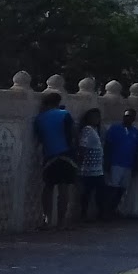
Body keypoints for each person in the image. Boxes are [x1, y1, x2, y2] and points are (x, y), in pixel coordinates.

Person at [32, 92, 77, 229]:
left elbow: (39, 137)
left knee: (48, 187)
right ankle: (61, 222)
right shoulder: (64, 114)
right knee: (64, 189)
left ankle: (46, 219)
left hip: (49, 155)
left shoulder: (39, 118)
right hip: (66, 155)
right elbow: (71, 134)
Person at [103, 108, 138, 219]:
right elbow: (107, 146)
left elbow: (136, 149)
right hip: (115, 163)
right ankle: (106, 212)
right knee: (112, 188)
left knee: (122, 189)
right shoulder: (114, 129)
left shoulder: (135, 131)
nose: (128, 118)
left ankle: (113, 209)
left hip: (128, 164)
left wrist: (135, 165)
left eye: (130, 116)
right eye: (126, 116)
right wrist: (107, 162)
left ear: (134, 118)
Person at [75, 108, 105, 222]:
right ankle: (84, 215)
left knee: (98, 192)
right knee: (87, 193)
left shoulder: (95, 129)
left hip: (97, 168)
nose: (96, 119)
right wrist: (79, 163)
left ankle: (100, 213)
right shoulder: (87, 129)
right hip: (87, 168)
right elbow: (82, 146)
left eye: (97, 117)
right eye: (93, 117)